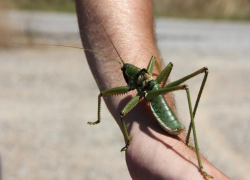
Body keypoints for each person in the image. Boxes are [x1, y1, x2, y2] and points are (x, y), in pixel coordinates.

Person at [75, 0, 231, 179]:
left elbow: (122, 109)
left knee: (124, 112)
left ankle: (198, 164)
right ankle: (186, 146)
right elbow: (152, 65)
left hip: (159, 105)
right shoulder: (143, 72)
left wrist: (129, 141)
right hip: (152, 90)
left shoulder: (136, 80)